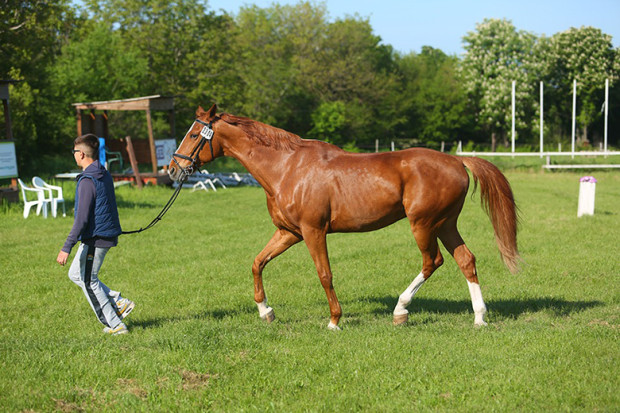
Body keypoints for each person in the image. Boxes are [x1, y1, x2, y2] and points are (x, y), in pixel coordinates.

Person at [56, 133, 135, 335]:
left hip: (96, 237)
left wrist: (66, 247)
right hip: (104, 234)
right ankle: (118, 301)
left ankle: (115, 325)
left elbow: (81, 219)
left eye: (74, 152)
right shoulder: (103, 173)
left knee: (89, 280)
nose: (73, 155)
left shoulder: (87, 180)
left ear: (81, 154)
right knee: (76, 274)